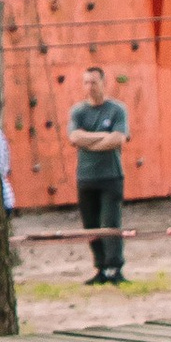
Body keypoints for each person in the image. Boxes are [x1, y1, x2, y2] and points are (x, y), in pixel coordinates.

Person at [67, 66, 129, 282]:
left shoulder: (116, 110)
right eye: (86, 82)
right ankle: (100, 267)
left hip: (111, 176)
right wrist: (103, 138)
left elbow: (118, 139)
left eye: (94, 82)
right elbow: (74, 138)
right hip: (86, 177)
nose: (90, 87)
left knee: (110, 222)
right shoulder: (78, 112)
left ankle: (115, 267)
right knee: (90, 225)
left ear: (103, 82)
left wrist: (89, 140)